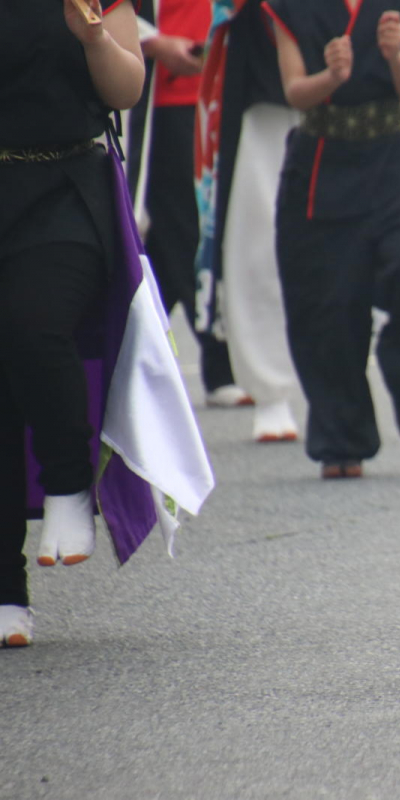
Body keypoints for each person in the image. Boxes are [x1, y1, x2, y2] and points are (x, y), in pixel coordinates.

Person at [263, 0, 400, 479]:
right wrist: (331, 77)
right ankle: (342, 438)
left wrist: (396, 57)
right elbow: (295, 92)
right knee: (328, 308)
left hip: (398, 160)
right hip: (321, 165)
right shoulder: (291, 6)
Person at [0, 0, 145, 646]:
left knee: (34, 324)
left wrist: (93, 40)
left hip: (67, 187)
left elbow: (127, 89)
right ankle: (5, 591)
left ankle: (68, 483)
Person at [126, 0, 252, 413]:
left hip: (223, 93)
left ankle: (125, 353)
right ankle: (219, 362)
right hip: (167, 99)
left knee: (171, 245)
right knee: (189, 231)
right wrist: (154, 42)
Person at [195, 0, 304, 444]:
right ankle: (271, 392)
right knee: (258, 248)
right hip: (263, 92)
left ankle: (340, 390)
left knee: (351, 252)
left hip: (354, 91)